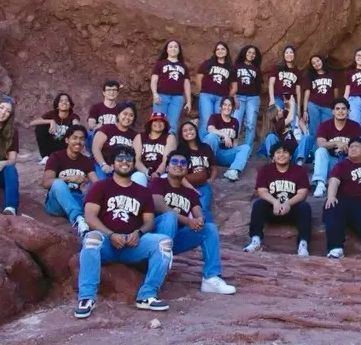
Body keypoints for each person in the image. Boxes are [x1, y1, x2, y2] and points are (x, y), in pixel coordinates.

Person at [74, 145, 172, 318]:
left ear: (134, 163)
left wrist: (139, 233)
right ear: (112, 164)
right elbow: (90, 217)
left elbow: (149, 221)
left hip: (132, 245)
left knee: (163, 242)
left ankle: (147, 295)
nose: (125, 162)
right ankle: (87, 297)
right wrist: (110, 234)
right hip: (107, 243)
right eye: (120, 159)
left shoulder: (143, 191)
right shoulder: (100, 187)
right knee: (91, 238)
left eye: (129, 159)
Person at [152, 153, 236, 294]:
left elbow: (198, 212)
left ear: (187, 169)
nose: (179, 164)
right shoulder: (158, 183)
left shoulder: (189, 193)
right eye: (174, 161)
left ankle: (211, 278)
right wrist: (187, 221)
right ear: (167, 166)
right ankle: (161, 261)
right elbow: (158, 205)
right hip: (155, 236)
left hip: (176, 239)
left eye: (183, 163)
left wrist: (199, 220)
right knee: (170, 217)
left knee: (209, 228)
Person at [244, 141, 311, 257]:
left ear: (290, 156)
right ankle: (255, 241)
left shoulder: (299, 171)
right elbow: (262, 191)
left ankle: (303, 245)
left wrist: (288, 203)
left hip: (291, 209)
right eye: (278, 152)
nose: (281, 155)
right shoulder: (265, 170)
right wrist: (275, 202)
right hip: (272, 209)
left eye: (285, 152)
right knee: (258, 205)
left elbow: (302, 193)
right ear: (273, 156)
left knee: (305, 207)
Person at [323, 136, 361, 258]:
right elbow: (334, 181)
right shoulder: (342, 165)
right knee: (331, 206)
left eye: (357, 146)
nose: (353, 149)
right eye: (351, 147)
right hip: (345, 202)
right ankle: (336, 248)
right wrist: (331, 196)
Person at [43, 125, 97, 236]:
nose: (78, 141)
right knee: (58, 183)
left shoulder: (86, 161)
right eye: (75, 138)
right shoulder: (56, 157)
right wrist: (68, 178)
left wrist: (87, 186)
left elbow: (97, 184)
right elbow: (46, 183)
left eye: (82, 139)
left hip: (77, 199)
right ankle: (78, 219)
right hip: (56, 204)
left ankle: (80, 218)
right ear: (67, 140)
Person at [311, 98, 361, 197]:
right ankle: (320, 184)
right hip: (331, 163)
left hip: (349, 162)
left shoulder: (355, 126)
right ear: (332, 111)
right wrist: (337, 143)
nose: (340, 111)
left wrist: (348, 148)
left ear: (348, 111)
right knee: (320, 151)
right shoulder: (325, 125)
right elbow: (320, 144)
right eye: (337, 109)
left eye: (343, 109)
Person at [174, 119, 216, 220]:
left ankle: (208, 230)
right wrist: (191, 188)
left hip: (203, 184)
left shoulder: (205, 148)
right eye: (185, 131)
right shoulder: (179, 151)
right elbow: (178, 174)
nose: (188, 132)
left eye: (191, 129)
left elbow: (214, 167)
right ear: (181, 134)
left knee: (203, 208)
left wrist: (210, 180)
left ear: (196, 131)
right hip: (185, 185)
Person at [203, 96, 251, 182]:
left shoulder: (235, 121)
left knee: (246, 147)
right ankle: (206, 166)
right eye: (224, 105)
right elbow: (210, 129)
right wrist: (225, 135)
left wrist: (239, 157)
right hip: (213, 151)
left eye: (229, 105)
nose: (227, 107)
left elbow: (235, 141)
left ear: (232, 107)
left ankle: (232, 171)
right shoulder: (215, 117)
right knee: (212, 136)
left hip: (224, 155)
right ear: (221, 106)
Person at [300, 54, 337, 162]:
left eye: (317, 61)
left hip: (328, 107)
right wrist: (305, 110)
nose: (316, 64)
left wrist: (335, 107)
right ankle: (316, 156)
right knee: (314, 131)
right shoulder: (310, 76)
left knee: (327, 131)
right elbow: (307, 94)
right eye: (313, 63)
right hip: (314, 105)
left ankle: (325, 156)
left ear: (322, 61)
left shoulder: (331, 74)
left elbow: (335, 93)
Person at [150, 40, 191, 137]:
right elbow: (154, 80)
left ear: (179, 50)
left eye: (176, 47)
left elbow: (186, 84)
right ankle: (157, 144)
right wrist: (155, 94)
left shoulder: (183, 66)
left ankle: (170, 148)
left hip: (177, 98)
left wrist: (189, 100)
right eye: (171, 46)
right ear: (167, 50)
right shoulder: (160, 64)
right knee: (158, 121)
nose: (173, 48)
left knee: (172, 125)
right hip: (161, 96)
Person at [30, 92, 81, 163]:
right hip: (51, 144)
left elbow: (76, 125)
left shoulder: (73, 116)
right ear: (57, 105)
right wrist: (51, 121)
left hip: (64, 145)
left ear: (70, 105)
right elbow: (32, 123)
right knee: (40, 127)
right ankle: (46, 157)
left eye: (67, 100)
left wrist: (75, 126)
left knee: (75, 131)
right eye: (61, 101)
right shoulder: (51, 114)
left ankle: (68, 156)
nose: (64, 102)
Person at [91, 102, 138, 179]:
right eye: (125, 114)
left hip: (123, 168)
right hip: (103, 165)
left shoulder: (134, 135)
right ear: (118, 115)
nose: (127, 117)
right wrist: (103, 165)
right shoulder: (106, 128)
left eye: (131, 115)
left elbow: (135, 155)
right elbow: (96, 148)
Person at [197, 41, 235, 134]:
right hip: (206, 95)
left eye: (223, 49)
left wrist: (227, 98)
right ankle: (203, 145)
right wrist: (201, 92)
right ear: (215, 51)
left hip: (221, 98)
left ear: (227, 51)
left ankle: (213, 146)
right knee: (206, 121)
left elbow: (234, 87)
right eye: (218, 49)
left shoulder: (230, 67)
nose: (220, 51)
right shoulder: (208, 63)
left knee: (217, 122)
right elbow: (199, 78)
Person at [132, 112, 176, 187]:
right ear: (150, 123)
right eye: (155, 120)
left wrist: (157, 173)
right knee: (137, 177)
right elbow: (136, 160)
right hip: (142, 171)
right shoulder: (140, 136)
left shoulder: (170, 137)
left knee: (166, 179)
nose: (158, 123)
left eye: (161, 121)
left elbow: (167, 160)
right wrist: (146, 172)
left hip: (162, 173)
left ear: (165, 124)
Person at [233, 45, 263, 149]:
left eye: (253, 53)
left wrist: (258, 101)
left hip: (253, 98)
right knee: (235, 123)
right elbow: (231, 83)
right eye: (249, 52)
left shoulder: (256, 69)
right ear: (245, 53)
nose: (251, 55)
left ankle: (246, 150)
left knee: (251, 124)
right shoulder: (237, 66)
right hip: (239, 96)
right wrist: (233, 96)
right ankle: (233, 148)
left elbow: (259, 86)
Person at [268, 44, 301, 116]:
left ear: (294, 54)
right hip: (278, 98)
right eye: (286, 53)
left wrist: (298, 107)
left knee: (292, 124)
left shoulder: (297, 71)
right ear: (283, 55)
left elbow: (298, 92)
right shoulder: (277, 67)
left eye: (291, 52)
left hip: (291, 101)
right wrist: (272, 99)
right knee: (275, 119)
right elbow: (271, 84)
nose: (289, 54)